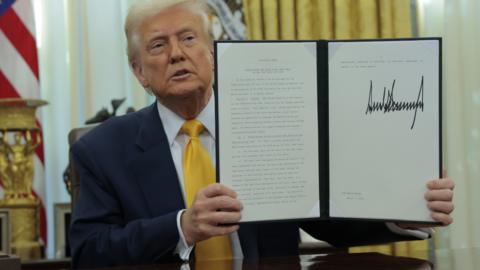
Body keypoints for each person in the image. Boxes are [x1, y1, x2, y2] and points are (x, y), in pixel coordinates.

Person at [69, 0, 455, 268]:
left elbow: (327, 218)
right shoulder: (102, 149)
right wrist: (182, 227)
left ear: (213, 53)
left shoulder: (274, 121)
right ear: (139, 72)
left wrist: (404, 213)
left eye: (188, 39)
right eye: (158, 45)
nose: (176, 54)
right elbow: (88, 251)